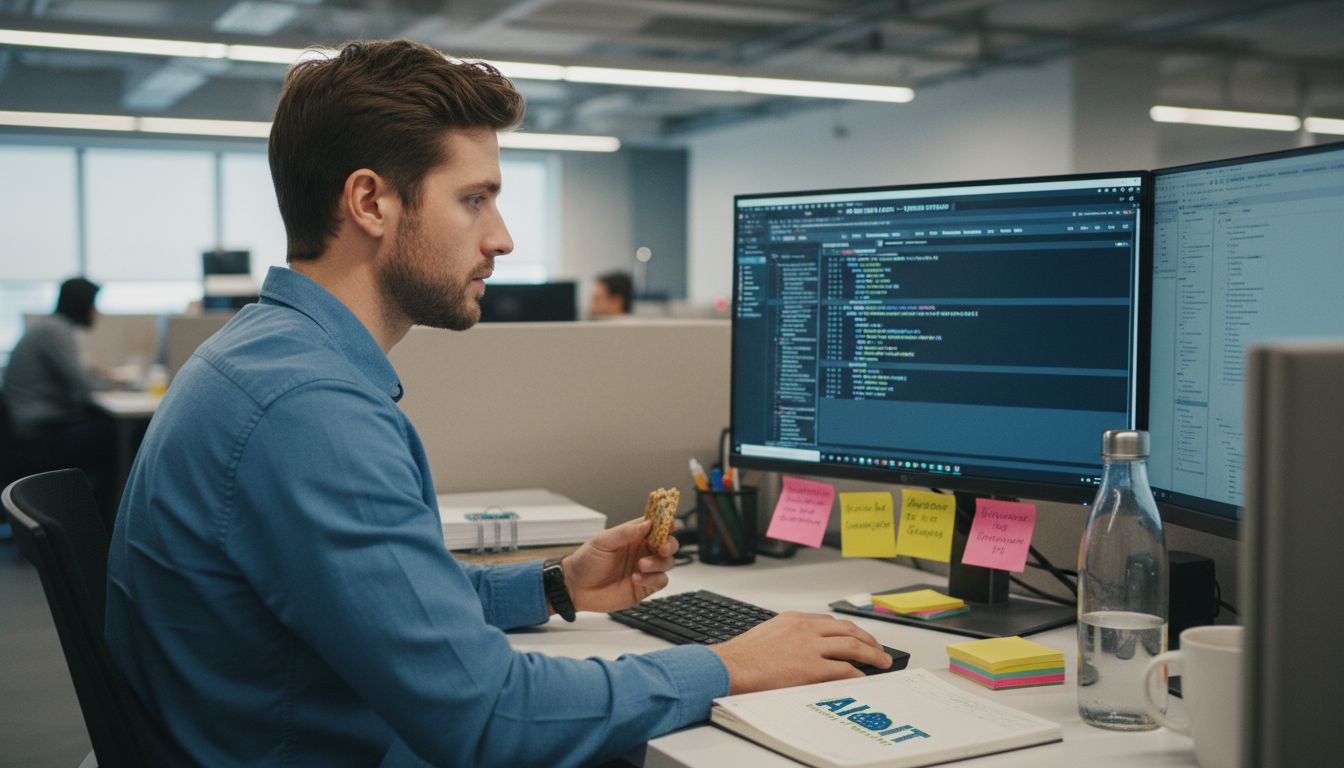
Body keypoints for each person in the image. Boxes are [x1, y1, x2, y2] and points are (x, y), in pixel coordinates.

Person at [105, 39, 890, 767]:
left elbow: (390, 609)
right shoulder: (309, 410)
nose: (504, 237)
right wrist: (727, 663)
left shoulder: (266, 359)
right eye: (475, 199)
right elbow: (489, 718)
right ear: (371, 203)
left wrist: (555, 585)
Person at [2, 277, 117, 514]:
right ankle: (101, 516)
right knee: (116, 434)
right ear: (82, 305)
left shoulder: (51, 328)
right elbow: (82, 386)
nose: (97, 312)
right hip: (39, 429)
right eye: (94, 304)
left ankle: (92, 511)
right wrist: (120, 386)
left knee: (105, 426)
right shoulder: (54, 331)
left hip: (33, 422)